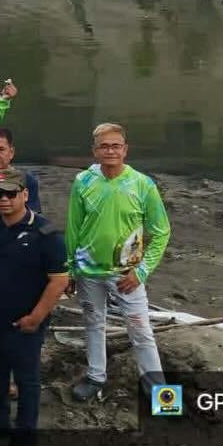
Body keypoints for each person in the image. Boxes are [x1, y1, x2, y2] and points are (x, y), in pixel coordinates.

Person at [0, 168, 69, 446]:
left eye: (11, 193)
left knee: (26, 377)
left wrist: (36, 317)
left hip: (25, 321)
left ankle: (25, 434)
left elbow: (58, 281)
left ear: (25, 195)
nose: (4, 199)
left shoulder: (46, 234)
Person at [66, 122, 171, 401]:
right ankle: (95, 377)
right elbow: (73, 229)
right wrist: (70, 269)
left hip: (127, 274)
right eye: (104, 146)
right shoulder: (83, 183)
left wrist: (142, 271)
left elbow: (161, 232)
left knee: (141, 330)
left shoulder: (142, 184)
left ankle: (161, 395)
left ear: (125, 150)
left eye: (115, 145)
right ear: (95, 151)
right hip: (88, 272)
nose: (110, 150)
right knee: (93, 324)